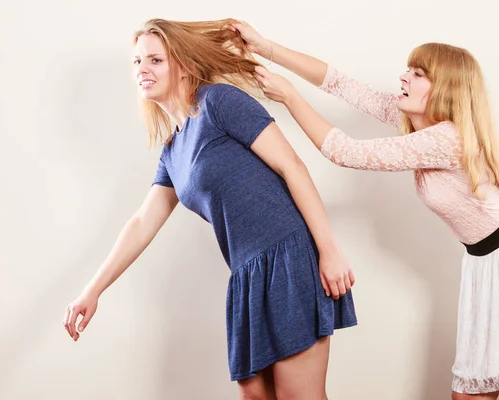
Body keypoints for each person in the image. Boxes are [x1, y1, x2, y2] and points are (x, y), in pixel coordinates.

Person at [229, 20, 499, 400]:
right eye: (409, 69)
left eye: (417, 73)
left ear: (444, 89)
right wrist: (267, 47)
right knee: (470, 393)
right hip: (488, 263)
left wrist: (290, 96)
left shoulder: (446, 138)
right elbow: (340, 83)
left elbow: (345, 151)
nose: (404, 77)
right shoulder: (419, 125)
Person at [63, 18, 358, 400]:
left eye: (155, 60)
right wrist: (92, 291)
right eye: (137, 62)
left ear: (181, 63)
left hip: (288, 258)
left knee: (297, 395)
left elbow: (293, 167)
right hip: (246, 275)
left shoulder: (218, 102)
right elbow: (142, 222)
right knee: (254, 394)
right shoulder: (173, 150)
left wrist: (329, 250)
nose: (143, 70)